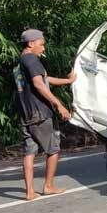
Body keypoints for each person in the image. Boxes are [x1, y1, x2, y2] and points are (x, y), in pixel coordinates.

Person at [14, 29, 76, 200]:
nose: (43, 49)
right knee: (53, 149)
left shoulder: (21, 62)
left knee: (29, 152)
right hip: (40, 113)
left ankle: (30, 192)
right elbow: (39, 85)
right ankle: (48, 186)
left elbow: (45, 80)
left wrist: (68, 81)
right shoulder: (31, 60)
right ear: (31, 43)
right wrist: (60, 105)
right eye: (41, 45)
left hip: (25, 114)